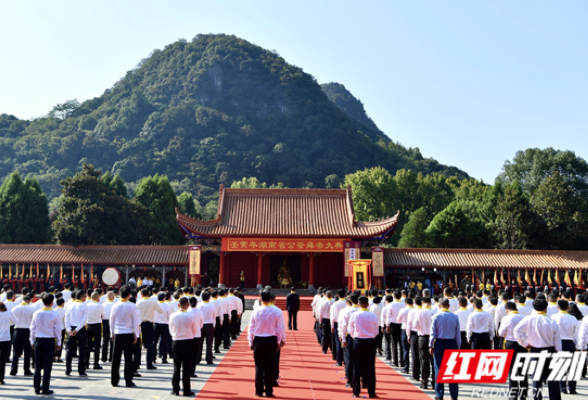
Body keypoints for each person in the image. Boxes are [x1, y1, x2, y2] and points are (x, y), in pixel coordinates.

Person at [514, 298, 562, 400]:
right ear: (546, 308)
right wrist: (559, 353)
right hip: (550, 351)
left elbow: (516, 330)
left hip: (535, 351)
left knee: (537, 379)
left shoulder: (528, 319)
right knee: (553, 380)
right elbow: (557, 341)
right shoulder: (551, 321)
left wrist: (524, 343)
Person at [248, 290, 285, 398]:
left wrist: (250, 341)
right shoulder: (277, 311)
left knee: (259, 366)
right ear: (270, 299)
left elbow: (251, 328)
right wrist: (279, 340)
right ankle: (269, 390)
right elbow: (280, 328)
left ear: (260, 299)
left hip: (259, 339)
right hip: (271, 339)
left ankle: (259, 391)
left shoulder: (256, 311)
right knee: (270, 366)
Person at [347, 295, 379, 398]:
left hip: (358, 341)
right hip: (370, 341)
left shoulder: (355, 315)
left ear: (358, 304)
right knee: (370, 368)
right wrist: (370, 336)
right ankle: (371, 392)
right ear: (368, 304)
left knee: (356, 367)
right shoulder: (373, 316)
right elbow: (376, 331)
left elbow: (350, 329)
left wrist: (355, 336)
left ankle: (356, 391)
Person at [30, 293, 62, 395]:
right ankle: (45, 388)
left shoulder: (36, 313)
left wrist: (31, 340)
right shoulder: (54, 314)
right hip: (49, 341)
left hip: (38, 340)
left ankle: (36, 387)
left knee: (38, 365)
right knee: (48, 365)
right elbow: (57, 330)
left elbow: (32, 328)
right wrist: (59, 342)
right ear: (52, 302)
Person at [430, 297, 461, 400]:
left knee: (438, 369)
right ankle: (454, 395)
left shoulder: (436, 316)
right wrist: (458, 347)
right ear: (449, 306)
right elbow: (458, 334)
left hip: (439, 342)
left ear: (439, 306)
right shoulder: (455, 317)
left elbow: (432, 333)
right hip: (452, 342)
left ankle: (439, 394)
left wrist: (431, 345)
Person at [110, 286, 140, 388]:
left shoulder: (115, 305)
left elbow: (112, 320)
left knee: (115, 359)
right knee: (128, 358)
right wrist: (136, 334)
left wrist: (112, 333)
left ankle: (114, 380)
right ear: (129, 295)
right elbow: (135, 322)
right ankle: (128, 380)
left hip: (118, 333)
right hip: (128, 333)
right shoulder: (132, 306)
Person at [498, 301, 527, 400]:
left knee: (512, 369)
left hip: (510, 344)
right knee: (522, 369)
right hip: (522, 344)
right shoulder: (524, 317)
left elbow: (501, 333)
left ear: (507, 310)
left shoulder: (506, 318)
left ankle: (513, 394)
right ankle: (523, 394)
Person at [169, 297, 198, 396]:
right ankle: (186, 390)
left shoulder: (173, 315)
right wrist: (189, 335)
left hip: (176, 341)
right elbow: (194, 330)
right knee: (186, 367)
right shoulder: (191, 316)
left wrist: (176, 335)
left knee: (176, 366)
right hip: (188, 341)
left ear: (178, 305)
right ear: (188, 305)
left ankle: (175, 389)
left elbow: (171, 329)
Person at [551, 300, 579, 394]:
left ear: (557, 307)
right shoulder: (573, 318)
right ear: (568, 308)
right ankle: (572, 388)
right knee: (572, 367)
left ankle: (562, 387)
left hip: (557, 343)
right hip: (570, 342)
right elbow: (576, 335)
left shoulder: (553, 317)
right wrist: (578, 346)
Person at [137, 287, 163, 370]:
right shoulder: (153, 301)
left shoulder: (138, 302)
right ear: (149, 293)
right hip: (149, 324)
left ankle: (137, 363)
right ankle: (149, 363)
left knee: (139, 345)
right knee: (149, 345)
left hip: (140, 324)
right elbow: (161, 310)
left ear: (141, 294)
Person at [64, 290, 89, 376]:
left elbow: (66, 318)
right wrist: (77, 329)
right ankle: (81, 370)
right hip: (80, 329)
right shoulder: (84, 305)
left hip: (71, 328)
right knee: (82, 350)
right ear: (81, 297)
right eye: (84, 296)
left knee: (69, 350)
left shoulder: (69, 305)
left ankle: (68, 369)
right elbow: (84, 320)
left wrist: (69, 329)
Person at [10, 295, 35, 376]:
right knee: (27, 352)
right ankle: (26, 370)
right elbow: (33, 321)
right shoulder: (31, 309)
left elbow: (11, 320)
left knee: (16, 352)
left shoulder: (15, 308)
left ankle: (13, 370)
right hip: (27, 330)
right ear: (28, 301)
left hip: (17, 330)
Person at [86, 291, 104, 370]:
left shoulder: (87, 305)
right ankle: (96, 363)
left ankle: (86, 362)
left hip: (89, 325)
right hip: (97, 325)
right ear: (97, 297)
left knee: (88, 345)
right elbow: (103, 315)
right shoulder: (100, 305)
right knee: (97, 346)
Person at [197, 291, 217, 365]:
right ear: (209, 298)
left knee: (200, 343)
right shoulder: (212, 305)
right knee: (209, 343)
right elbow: (214, 316)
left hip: (200, 325)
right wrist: (214, 325)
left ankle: (198, 358)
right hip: (209, 325)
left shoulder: (199, 305)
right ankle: (209, 359)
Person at [154, 292, 172, 364]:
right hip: (164, 324)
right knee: (164, 341)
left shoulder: (155, 304)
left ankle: (153, 358)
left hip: (155, 324)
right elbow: (169, 316)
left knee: (154, 342)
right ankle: (164, 358)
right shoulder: (167, 305)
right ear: (164, 298)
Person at [0, 301, 15, 385]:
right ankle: (1, 378)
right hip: (5, 338)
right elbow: (14, 321)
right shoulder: (9, 313)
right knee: (2, 359)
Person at [102, 291, 115, 363]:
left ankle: (104, 357)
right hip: (113, 322)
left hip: (104, 322)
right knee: (112, 340)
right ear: (113, 297)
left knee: (105, 340)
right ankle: (111, 357)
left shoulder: (103, 305)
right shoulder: (115, 304)